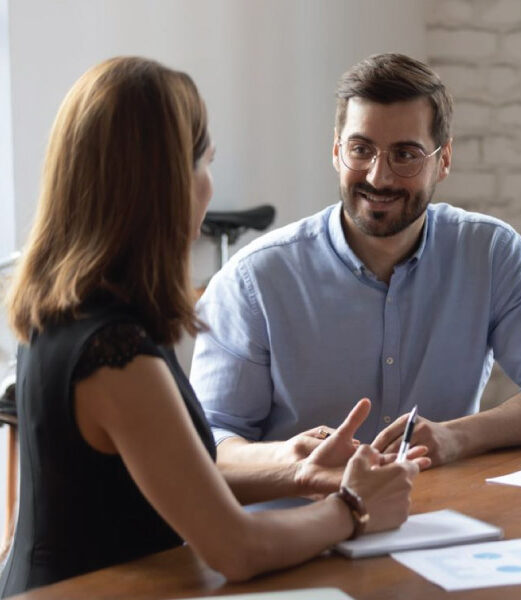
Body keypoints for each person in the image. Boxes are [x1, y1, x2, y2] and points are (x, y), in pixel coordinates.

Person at [0, 57, 426, 595]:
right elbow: (236, 549)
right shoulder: (117, 356)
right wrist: (354, 508)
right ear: (163, 184)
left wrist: (296, 470)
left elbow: (164, 484)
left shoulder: (69, 313)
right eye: (204, 162)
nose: (208, 183)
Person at [189, 53, 521, 489]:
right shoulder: (255, 280)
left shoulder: (489, 253)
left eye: (405, 154)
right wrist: (292, 460)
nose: (378, 176)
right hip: (299, 535)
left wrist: (456, 436)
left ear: (442, 161)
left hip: (442, 524)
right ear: (336, 151)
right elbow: (206, 443)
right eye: (360, 149)